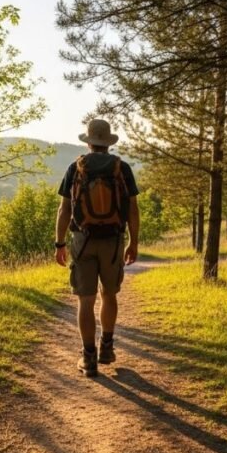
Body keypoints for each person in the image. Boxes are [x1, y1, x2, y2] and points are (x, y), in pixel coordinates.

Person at [55, 119, 140, 377]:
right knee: (109, 294)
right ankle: (107, 348)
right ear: (108, 144)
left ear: (89, 142)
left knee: (86, 299)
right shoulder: (121, 168)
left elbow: (64, 209)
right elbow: (133, 210)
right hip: (113, 241)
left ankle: (88, 359)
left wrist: (59, 243)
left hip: (83, 241)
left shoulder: (76, 167)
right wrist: (133, 241)